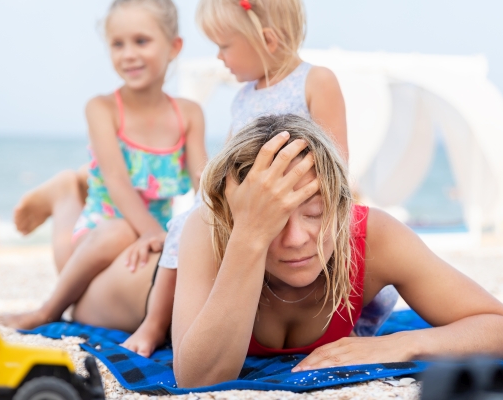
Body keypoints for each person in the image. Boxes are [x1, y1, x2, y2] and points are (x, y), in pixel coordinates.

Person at [122, 0, 396, 357]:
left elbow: (336, 158)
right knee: (186, 223)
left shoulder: (316, 80)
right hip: (249, 202)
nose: (220, 57)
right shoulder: (242, 97)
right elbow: (232, 154)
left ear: (266, 40)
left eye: (224, 45)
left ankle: (341, 323)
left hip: (299, 198)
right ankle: (155, 323)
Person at [171, 114, 503, 388]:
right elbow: (197, 379)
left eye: (315, 213)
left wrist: (395, 346)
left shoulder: (372, 234)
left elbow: (502, 329)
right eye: (274, 220)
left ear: (342, 205)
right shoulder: (210, 231)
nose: (296, 239)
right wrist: (248, 236)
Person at [0, 0, 207, 329]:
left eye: (141, 41)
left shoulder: (189, 114)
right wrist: (155, 233)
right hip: (98, 233)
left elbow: (203, 187)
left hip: (149, 238)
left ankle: (70, 185)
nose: (128, 54)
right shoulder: (103, 108)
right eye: (117, 44)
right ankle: (49, 307)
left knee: (141, 249)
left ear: (174, 46)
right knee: (119, 231)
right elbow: (117, 181)